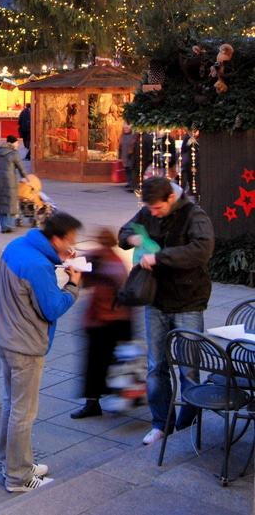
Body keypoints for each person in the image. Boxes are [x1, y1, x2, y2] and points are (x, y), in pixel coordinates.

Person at [118, 176, 214, 446]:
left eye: (158, 208)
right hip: (156, 300)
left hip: (188, 300)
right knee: (155, 365)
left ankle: (188, 420)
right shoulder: (149, 210)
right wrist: (132, 237)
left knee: (189, 368)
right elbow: (124, 232)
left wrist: (160, 258)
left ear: (171, 198)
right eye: (150, 209)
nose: (153, 213)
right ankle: (161, 423)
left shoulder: (194, 215)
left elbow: (202, 250)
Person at [0, 212, 83, 492]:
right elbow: (52, 307)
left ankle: (13, 461)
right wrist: (73, 284)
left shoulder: (17, 247)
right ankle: (18, 477)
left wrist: (59, 262)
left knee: (11, 404)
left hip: (5, 336)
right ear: (55, 239)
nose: (72, 247)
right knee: (24, 412)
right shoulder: (37, 266)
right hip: (25, 345)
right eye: (70, 242)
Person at [70, 228, 131, 419]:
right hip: (102, 321)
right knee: (101, 364)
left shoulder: (114, 264)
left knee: (101, 364)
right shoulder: (99, 257)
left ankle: (100, 402)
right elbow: (83, 278)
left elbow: (110, 285)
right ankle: (99, 402)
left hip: (111, 322)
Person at [0, 136, 28, 233]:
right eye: (17, 143)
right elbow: (20, 167)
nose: (18, 144)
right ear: (12, 143)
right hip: (9, 179)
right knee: (10, 202)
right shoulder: (13, 153)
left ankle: (3, 226)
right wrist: (25, 178)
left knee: (1, 202)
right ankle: (9, 225)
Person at [179, 129, 199, 199]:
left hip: (191, 162)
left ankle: (193, 192)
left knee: (191, 179)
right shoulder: (188, 138)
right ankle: (193, 193)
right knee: (191, 179)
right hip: (190, 162)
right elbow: (185, 148)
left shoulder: (190, 138)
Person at [118, 125, 136, 193]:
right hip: (124, 156)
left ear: (130, 129)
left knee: (131, 170)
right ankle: (129, 183)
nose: (126, 129)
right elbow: (120, 147)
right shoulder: (122, 136)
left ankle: (132, 184)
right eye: (125, 128)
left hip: (130, 156)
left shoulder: (133, 136)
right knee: (127, 170)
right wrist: (119, 157)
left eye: (127, 128)